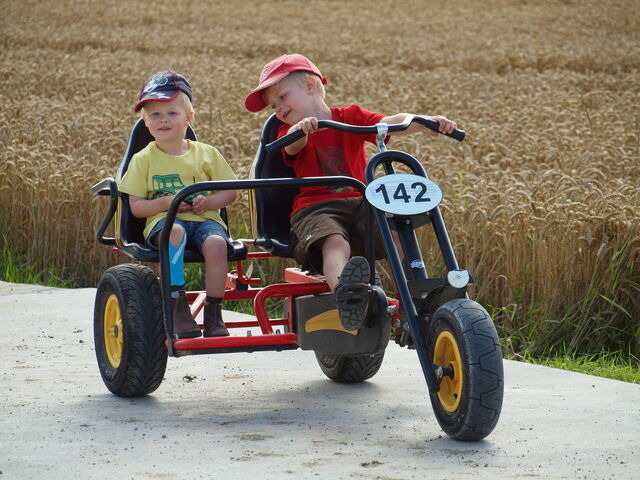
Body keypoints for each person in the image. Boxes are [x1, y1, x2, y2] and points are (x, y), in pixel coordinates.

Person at [245, 54, 457, 329]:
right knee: (335, 243)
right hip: (315, 207)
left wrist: (425, 121)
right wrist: (300, 130)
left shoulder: (351, 117)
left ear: (310, 85)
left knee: (395, 232)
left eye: (283, 97)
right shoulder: (288, 130)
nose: (279, 108)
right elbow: (290, 147)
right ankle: (347, 297)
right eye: (273, 106)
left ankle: (410, 301)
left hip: (360, 202)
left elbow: (390, 122)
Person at [119, 70, 237, 338]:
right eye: (155, 115)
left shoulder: (207, 154)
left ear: (188, 118)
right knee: (176, 232)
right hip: (165, 223)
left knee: (218, 244)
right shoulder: (143, 159)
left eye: (172, 113)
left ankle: (214, 313)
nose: (163, 120)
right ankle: (178, 308)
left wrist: (208, 201)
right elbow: (136, 207)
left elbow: (230, 194)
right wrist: (166, 202)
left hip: (206, 221)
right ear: (145, 122)